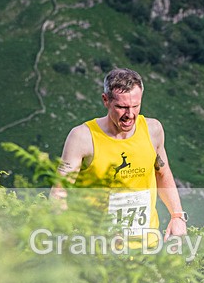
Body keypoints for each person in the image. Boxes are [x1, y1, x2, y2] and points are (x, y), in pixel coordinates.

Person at [50, 68, 187, 242]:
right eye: (122, 107)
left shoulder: (153, 130)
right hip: (97, 249)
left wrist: (177, 216)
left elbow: (162, 173)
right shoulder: (82, 137)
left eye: (135, 106)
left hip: (147, 246)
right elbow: (59, 192)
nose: (129, 115)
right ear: (105, 100)